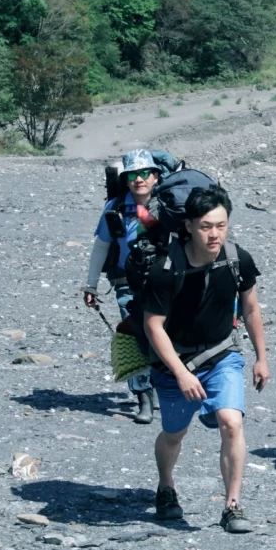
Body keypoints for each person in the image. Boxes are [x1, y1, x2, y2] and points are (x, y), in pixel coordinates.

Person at [142, 186, 270, 533]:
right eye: (205, 226)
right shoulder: (165, 268)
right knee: (174, 433)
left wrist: (261, 357)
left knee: (232, 423)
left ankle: (232, 506)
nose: (214, 234)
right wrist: (181, 373)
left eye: (221, 225)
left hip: (221, 354)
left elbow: (251, 307)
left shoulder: (237, 259)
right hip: (174, 364)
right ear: (188, 226)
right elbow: (153, 326)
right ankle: (166, 487)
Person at [82, 149, 161, 424]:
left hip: (166, 282)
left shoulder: (169, 204)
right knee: (135, 337)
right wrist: (90, 285)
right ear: (126, 180)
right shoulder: (115, 207)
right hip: (127, 283)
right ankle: (144, 398)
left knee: (167, 337)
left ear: (155, 176)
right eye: (132, 175)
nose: (138, 180)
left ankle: (165, 387)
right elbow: (102, 246)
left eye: (144, 174)